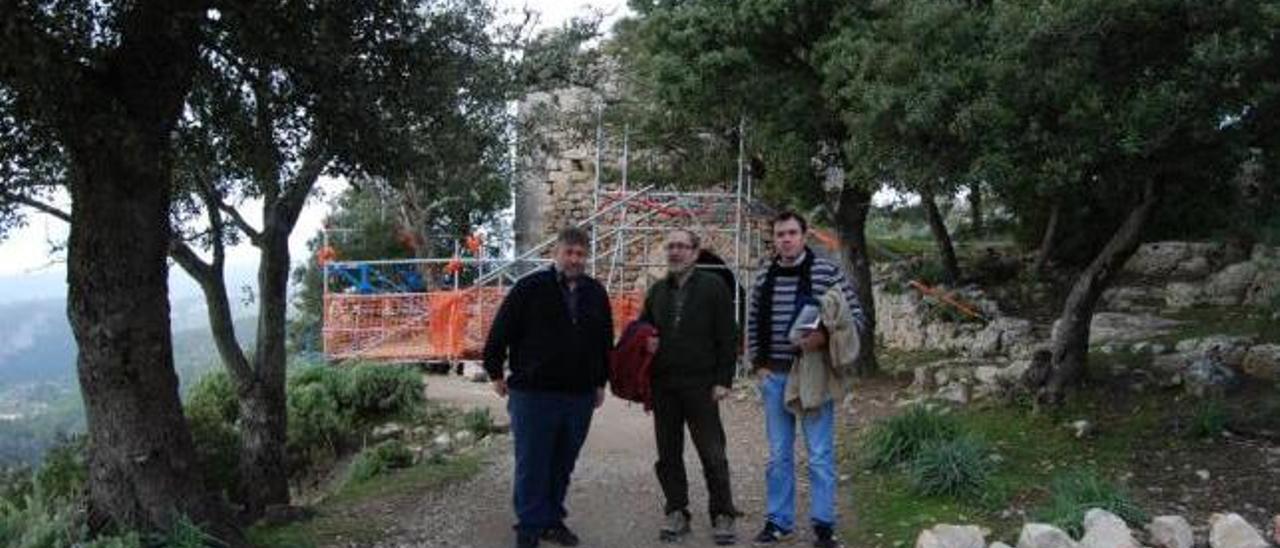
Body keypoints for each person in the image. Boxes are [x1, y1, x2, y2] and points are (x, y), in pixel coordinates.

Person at [483, 227, 614, 548]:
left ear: (587, 256)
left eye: (581, 254)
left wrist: (600, 382)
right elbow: (500, 331)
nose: (574, 259)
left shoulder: (596, 293)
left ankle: (552, 521)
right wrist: (495, 371)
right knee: (532, 464)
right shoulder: (529, 288)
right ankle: (528, 531)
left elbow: (603, 342)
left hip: (579, 396)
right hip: (533, 394)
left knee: (562, 464)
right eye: (569, 252)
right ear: (555, 253)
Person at [746, 212, 865, 548]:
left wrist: (824, 338)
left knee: (819, 453)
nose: (785, 239)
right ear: (774, 238)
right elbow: (753, 321)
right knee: (779, 454)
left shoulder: (826, 271)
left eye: (792, 233)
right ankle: (778, 522)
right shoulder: (764, 275)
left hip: (815, 374)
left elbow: (855, 315)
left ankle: (824, 527)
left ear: (804, 235)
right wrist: (759, 365)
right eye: (779, 234)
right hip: (775, 375)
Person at [641, 229, 741, 545]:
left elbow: (728, 336)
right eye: (670, 246)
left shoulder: (714, 288)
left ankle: (723, 513)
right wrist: (646, 342)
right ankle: (677, 511)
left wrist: (723, 380)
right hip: (665, 386)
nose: (675, 252)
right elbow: (643, 328)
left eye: (682, 246)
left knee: (713, 453)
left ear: (695, 253)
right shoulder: (656, 291)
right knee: (668, 454)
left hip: (701, 386)